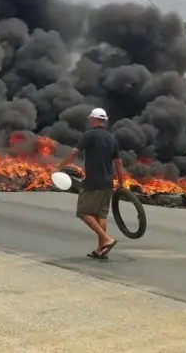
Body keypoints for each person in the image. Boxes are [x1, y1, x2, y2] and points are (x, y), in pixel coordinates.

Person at [56, 107, 127, 260]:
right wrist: (121, 183)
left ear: (94, 119)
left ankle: (107, 239)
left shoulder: (89, 136)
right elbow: (119, 163)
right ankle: (101, 249)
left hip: (93, 182)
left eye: (90, 118)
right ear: (104, 121)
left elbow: (74, 153)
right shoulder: (112, 139)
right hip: (107, 183)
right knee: (101, 215)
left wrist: (59, 167)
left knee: (83, 213)